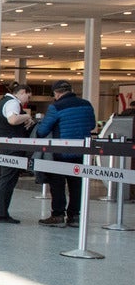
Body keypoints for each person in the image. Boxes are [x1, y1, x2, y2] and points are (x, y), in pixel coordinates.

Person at [37, 80, 97, 227]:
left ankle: (58, 215)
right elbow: (92, 125)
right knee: (76, 184)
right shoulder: (86, 104)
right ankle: (74, 216)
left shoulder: (56, 107)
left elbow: (42, 131)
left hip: (60, 151)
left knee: (57, 184)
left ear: (56, 93)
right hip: (82, 151)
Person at [0, 82, 34, 224]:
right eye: (28, 96)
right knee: (7, 180)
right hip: (11, 148)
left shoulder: (0, 103)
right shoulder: (13, 103)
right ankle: (2, 214)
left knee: (0, 178)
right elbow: (13, 119)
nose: (28, 100)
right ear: (22, 92)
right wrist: (26, 116)